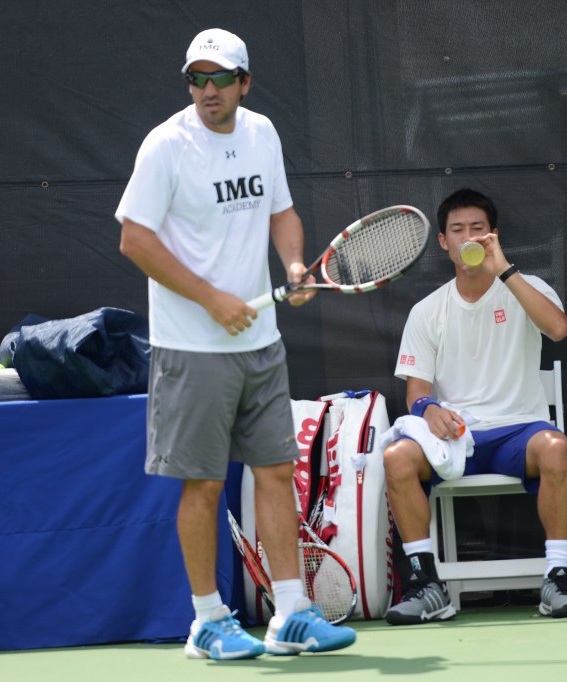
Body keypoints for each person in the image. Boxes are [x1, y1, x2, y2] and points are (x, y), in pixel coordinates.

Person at [116, 28, 355, 659]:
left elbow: (281, 212)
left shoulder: (262, 134)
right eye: (196, 78)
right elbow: (134, 239)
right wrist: (210, 299)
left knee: (275, 474)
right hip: (191, 349)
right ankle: (206, 622)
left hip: (261, 344)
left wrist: (295, 266)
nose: (207, 90)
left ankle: (292, 615)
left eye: (220, 77)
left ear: (244, 83)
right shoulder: (166, 145)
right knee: (203, 484)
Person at [383, 188, 567, 625]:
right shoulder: (427, 310)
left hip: (520, 431)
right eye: (457, 230)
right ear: (444, 241)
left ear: (493, 235)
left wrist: (504, 270)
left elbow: (558, 329)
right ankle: (426, 584)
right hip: (459, 437)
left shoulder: (527, 287)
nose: (468, 237)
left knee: (556, 447)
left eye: (478, 228)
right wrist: (430, 410)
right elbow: (417, 391)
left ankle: (558, 578)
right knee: (397, 457)